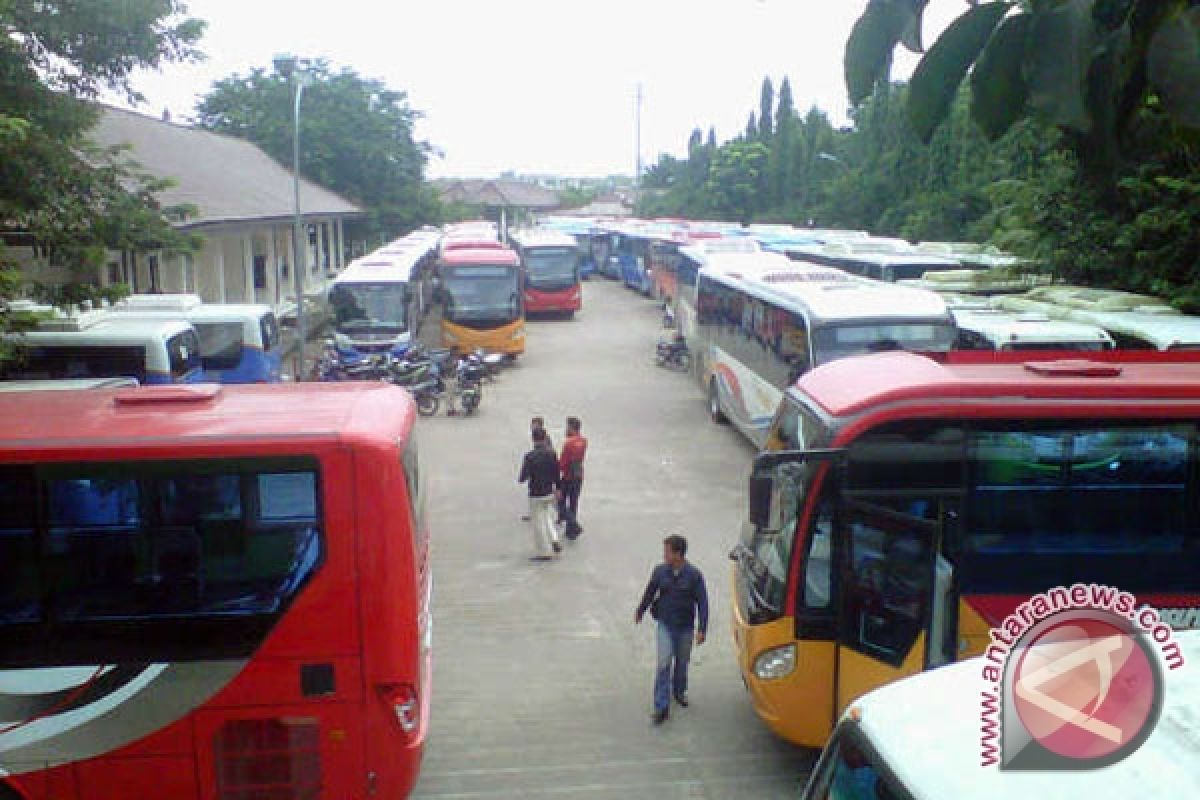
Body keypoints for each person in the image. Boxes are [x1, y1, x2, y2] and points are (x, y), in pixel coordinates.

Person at [634, 535, 709, 724]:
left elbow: (702, 602)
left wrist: (702, 628)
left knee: (682, 662)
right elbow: (650, 592)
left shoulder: (694, 575)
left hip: (685, 627)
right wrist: (640, 610)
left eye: (667, 551)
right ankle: (661, 705)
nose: (664, 555)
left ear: (677, 554)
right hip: (666, 625)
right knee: (663, 662)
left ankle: (679, 690)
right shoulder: (660, 572)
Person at [518, 427, 561, 560]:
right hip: (549, 491)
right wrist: (558, 488)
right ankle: (554, 539)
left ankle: (543, 551)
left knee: (538, 523)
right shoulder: (552, 454)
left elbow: (522, 477)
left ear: (533, 439)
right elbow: (556, 473)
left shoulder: (530, 457)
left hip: (536, 493)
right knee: (547, 516)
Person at [557, 416, 588, 539]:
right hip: (579, 475)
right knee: (574, 502)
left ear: (572, 428)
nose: (566, 429)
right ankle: (570, 531)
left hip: (568, 476)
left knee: (559, 501)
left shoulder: (569, 443)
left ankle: (573, 524)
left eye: (567, 427)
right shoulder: (584, 441)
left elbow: (563, 462)